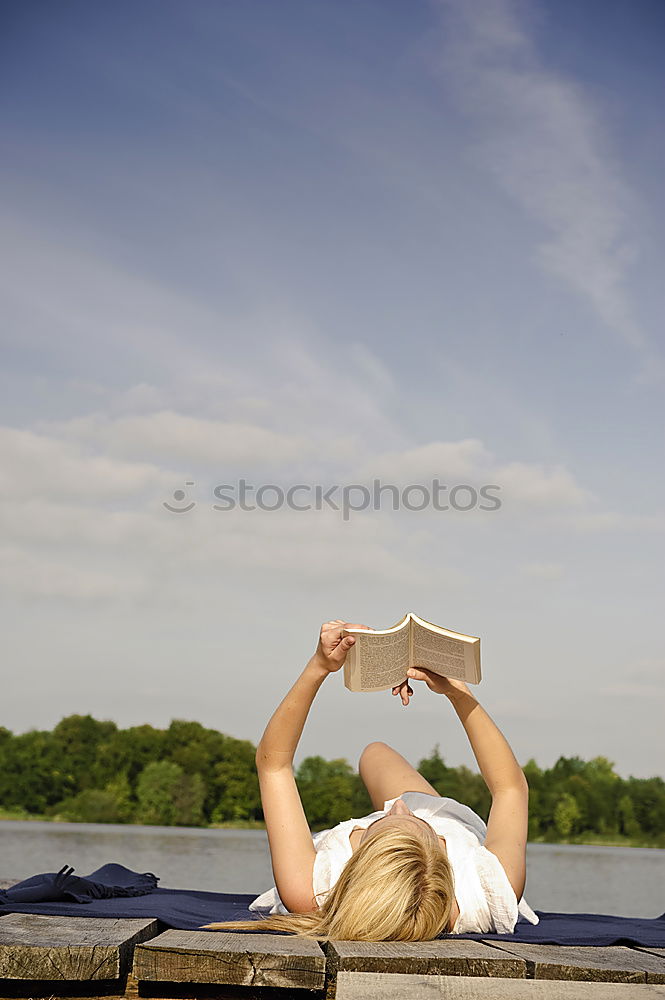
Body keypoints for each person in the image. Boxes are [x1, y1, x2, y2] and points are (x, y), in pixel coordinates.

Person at [201, 620, 539, 941]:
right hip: (454, 833)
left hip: (401, 856)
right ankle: (414, 832)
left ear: (356, 864)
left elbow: (273, 765)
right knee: (380, 755)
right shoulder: (486, 887)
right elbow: (511, 788)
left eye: (386, 820)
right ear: (442, 859)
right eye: (424, 830)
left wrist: (319, 667)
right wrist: (457, 692)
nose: (399, 806)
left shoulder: (311, 889)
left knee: (373, 752)